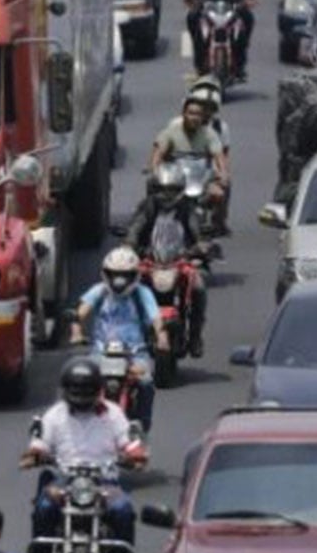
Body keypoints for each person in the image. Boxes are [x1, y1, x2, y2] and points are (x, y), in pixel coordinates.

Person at [20, 358, 147, 553]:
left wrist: (135, 456)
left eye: (87, 389)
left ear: (98, 389)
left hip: (104, 481)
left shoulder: (114, 414)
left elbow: (130, 444)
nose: (81, 395)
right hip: (64, 480)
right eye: (76, 389)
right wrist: (35, 456)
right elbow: (39, 444)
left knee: (123, 511)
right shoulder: (55, 415)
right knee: (44, 508)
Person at [68, 249, 167, 430]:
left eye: (124, 275)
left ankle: (142, 424)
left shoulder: (142, 293)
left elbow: (156, 317)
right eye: (114, 275)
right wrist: (76, 331)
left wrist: (162, 337)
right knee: (79, 380)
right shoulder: (99, 291)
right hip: (101, 352)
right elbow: (80, 312)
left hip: (135, 353)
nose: (119, 281)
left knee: (145, 383)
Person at [124, 163, 209, 357]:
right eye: (162, 190)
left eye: (172, 190)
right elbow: (136, 227)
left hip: (180, 260)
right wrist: (130, 244)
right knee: (126, 287)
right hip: (150, 260)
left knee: (198, 287)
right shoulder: (147, 206)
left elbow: (197, 231)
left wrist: (201, 246)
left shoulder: (187, 207)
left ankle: (195, 336)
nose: (167, 195)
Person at [148, 98, 230, 234]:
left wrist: (223, 173)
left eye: (198, 114)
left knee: (219, 193)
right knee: (152, 189)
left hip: (199, 180)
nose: (194, 118)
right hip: (174, 181)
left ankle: (218, 224)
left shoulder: (209, 134)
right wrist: (154, 169)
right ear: (184, 114)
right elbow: (158, 152)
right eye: (191, 113)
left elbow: (219, 156)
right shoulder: (171, 132)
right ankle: (150, 223)